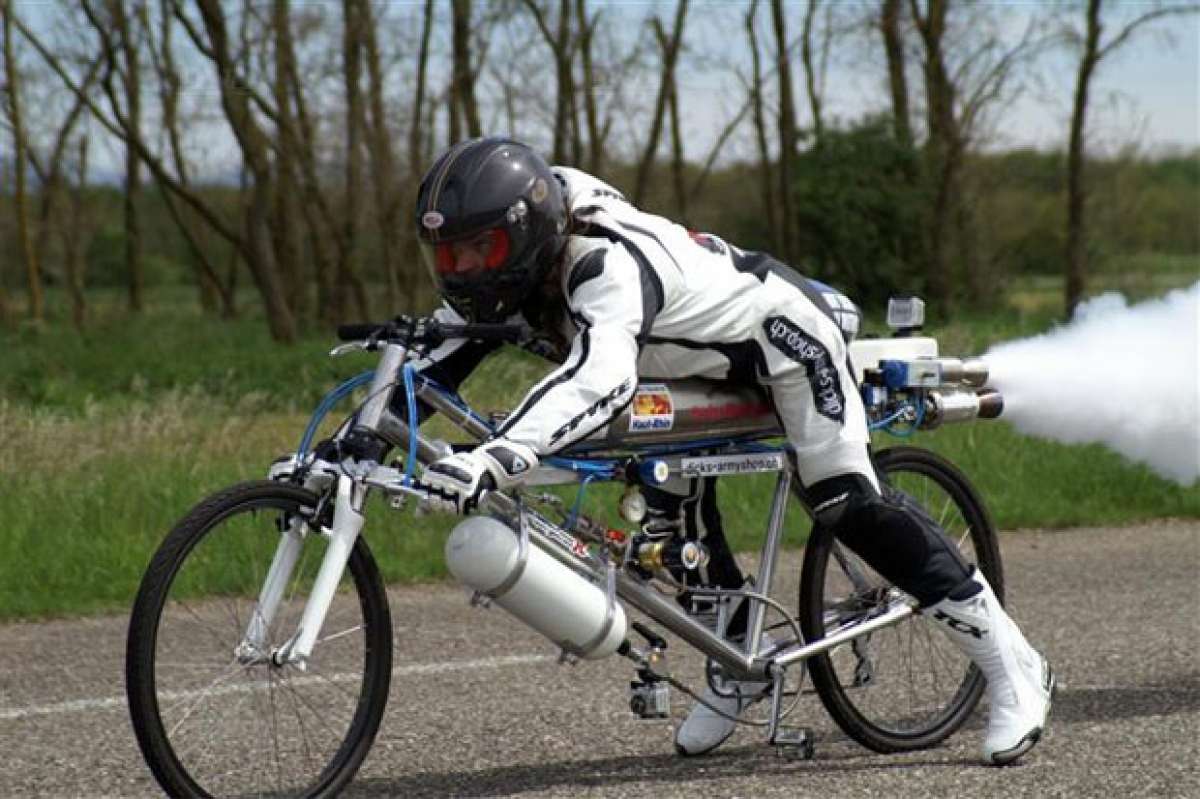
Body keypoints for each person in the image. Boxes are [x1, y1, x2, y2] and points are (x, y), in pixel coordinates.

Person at [402, 137, 1052, 764]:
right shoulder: (524, 261)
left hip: (785, 340)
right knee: (664, 502)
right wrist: (340, 448)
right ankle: (741, 660)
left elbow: (599, 378)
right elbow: (430, 363)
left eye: (476, 251)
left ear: (524, 231)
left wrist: (495, 455)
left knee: (845, 502)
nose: (460, 272)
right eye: (448, 257)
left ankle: (1012, 664)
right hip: (689, 360)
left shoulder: (604, 265)